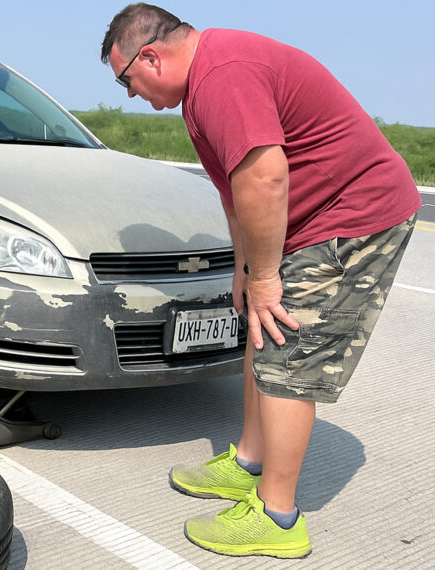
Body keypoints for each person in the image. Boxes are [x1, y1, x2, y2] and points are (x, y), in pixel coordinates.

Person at [102, 3, 420, 558]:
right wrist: (245, 270)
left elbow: (267, 178)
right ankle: (250, 461)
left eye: (125, 80)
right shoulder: (201, 90)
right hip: (308, 219)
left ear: (150, 56)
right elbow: (237, 191)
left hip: (354, 217)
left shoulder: (222, 74)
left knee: (286, 354)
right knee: (260, 325)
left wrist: (268, 276)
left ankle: (277, 517)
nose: (129, 94)